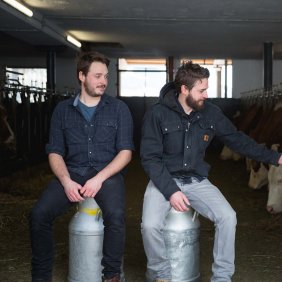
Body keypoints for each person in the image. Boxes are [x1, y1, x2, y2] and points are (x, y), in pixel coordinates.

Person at [140, 61, 282, 282]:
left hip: (195, 180)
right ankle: (162, 274)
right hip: (163, 179)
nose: (206, 95)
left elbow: (237, 140)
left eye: (207, 89)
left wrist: (276, 158)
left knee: (228, 217)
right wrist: (171, 191)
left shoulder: (211, 113)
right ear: (184, 89)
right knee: (149, 225)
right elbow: (150, 158)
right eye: (201, 90)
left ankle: (222, 277)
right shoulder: (157, 114)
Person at [29, 51, 134, 282]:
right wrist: (66, 181)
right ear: (81, 76)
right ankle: (41, 276)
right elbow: (55, 151)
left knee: (116, 216)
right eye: (97, 76)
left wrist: (99, 179)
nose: (103, 81)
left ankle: (111, 275)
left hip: (106, 173)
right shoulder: (63, 110)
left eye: (106, 76)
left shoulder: (119, 109)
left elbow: (125, 153)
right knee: (39, 215)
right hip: (73, 171)